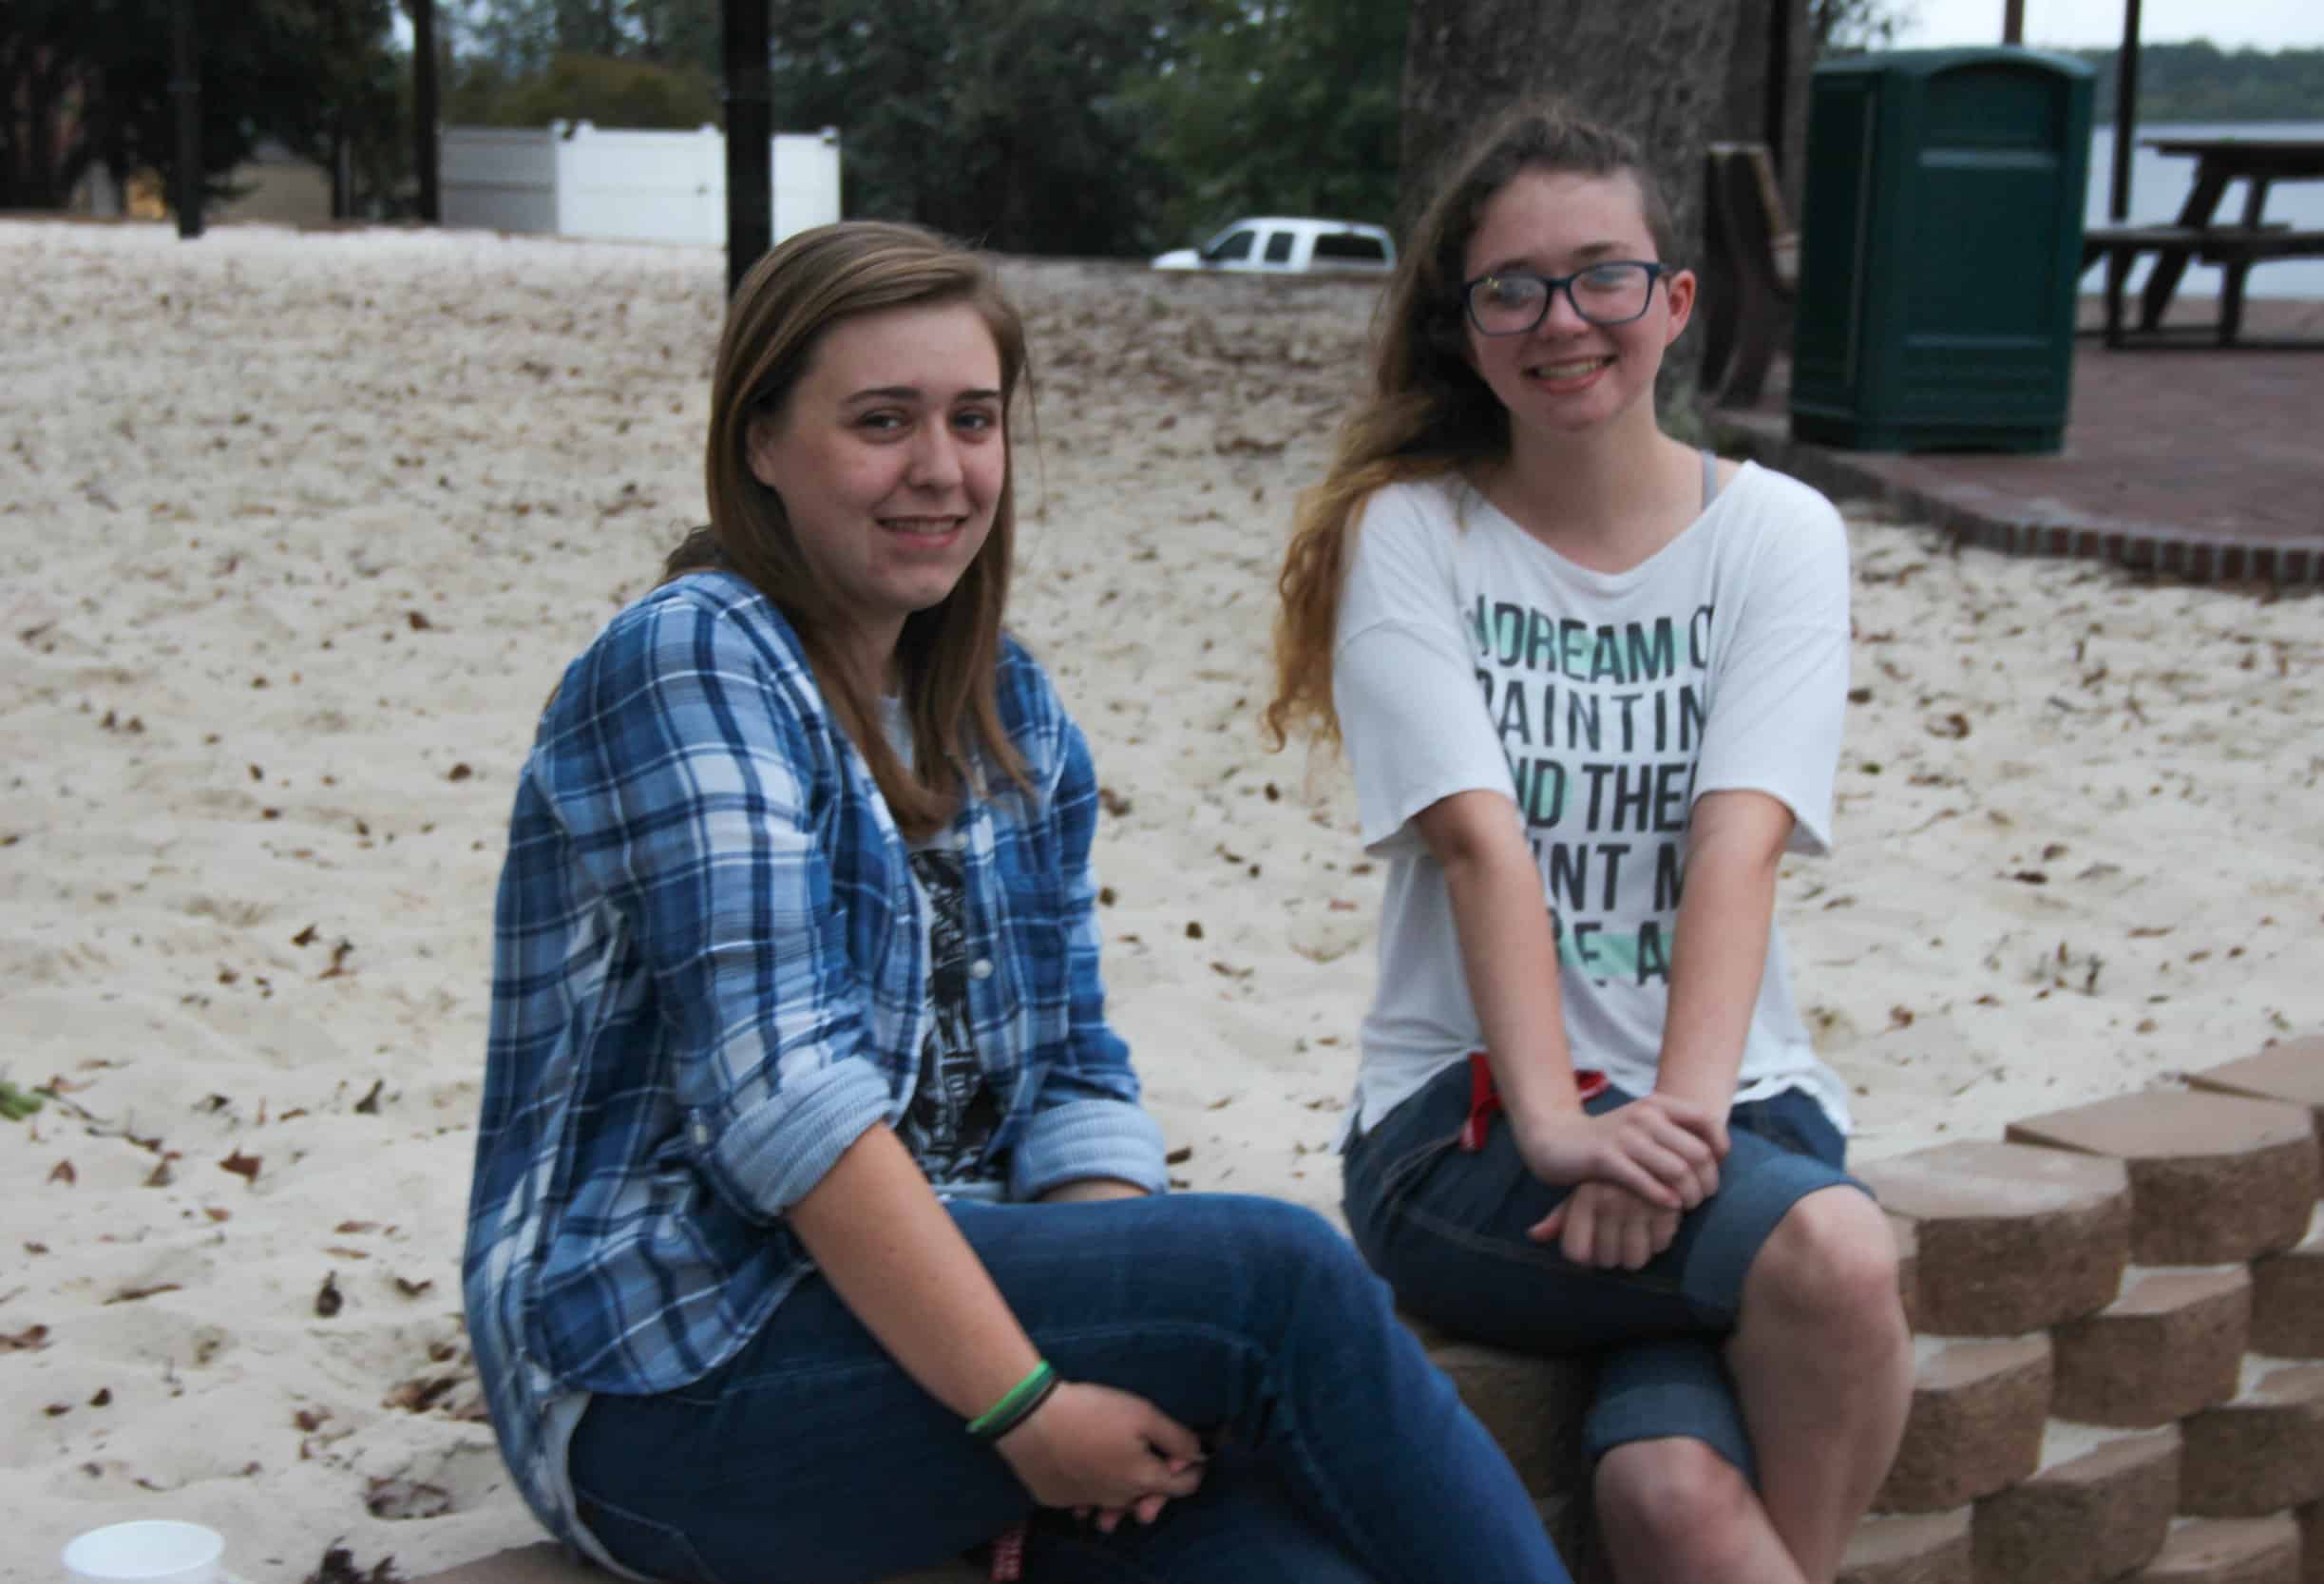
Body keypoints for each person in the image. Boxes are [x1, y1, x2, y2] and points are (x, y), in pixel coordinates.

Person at [463, 219, 1586, 1584]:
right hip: (670, 1378)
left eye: (972, 420)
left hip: (930, 1328)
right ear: (760, 440)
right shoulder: (695, 658)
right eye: (881, 421)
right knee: (1279, 1280)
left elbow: (1067, 1074)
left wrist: (1083, 1348)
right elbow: (786, 1108)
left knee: (1287, 1569)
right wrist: (1023, 1407)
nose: (938, 468)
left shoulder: (1011, 710)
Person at [1267, 104, 1914, 1584]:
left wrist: (1675, 1139)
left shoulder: (1779, 535)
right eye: (1514, 287)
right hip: (1476, 1122)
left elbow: (1735, 848)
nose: (1564, 319)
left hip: (1739, 1107)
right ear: (1469, 325)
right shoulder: (1411, 533)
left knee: (1672, 1505)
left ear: (1675, 302)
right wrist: (1566, 1128)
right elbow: (1484, 851)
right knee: (1836, 1257)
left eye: (1604, 275)